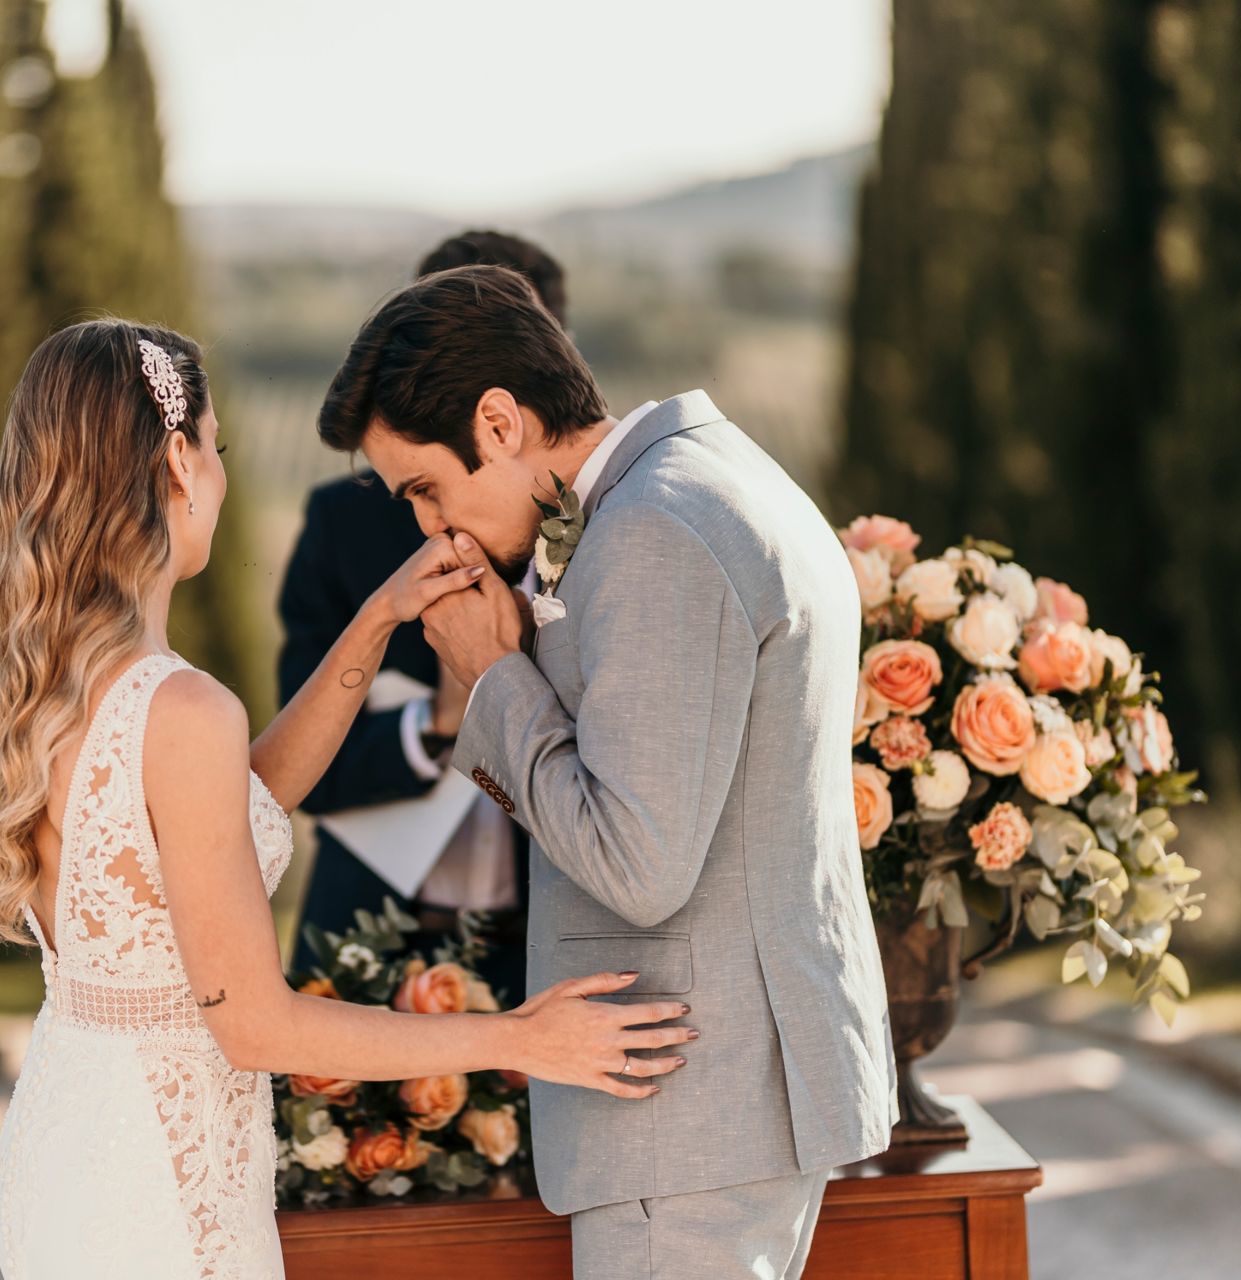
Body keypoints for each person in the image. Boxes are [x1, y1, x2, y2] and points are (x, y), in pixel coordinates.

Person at [0, 318, 694, 1280]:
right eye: (215, 448)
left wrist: (377, 619)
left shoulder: (65, 683)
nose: (217, 474)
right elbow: (257, 1026)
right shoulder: (179, 708)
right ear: (178, 461)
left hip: (70, 1145)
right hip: (162, 1191)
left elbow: (227, 805)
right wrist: (523, 1037)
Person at [317, 266, 898, 1280]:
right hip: (723, 1103)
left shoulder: (652, 533)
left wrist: (494, 675)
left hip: (679, 1111)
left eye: (424, 487)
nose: (427, 526)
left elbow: (638, 861)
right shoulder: (722, 476)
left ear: (498, 422)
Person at [280, 230, 569, 1002]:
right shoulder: (344, 527)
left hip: (545, 945)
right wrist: (434, 726)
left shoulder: (604, 531)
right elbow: (292, 766)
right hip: (368, 939)